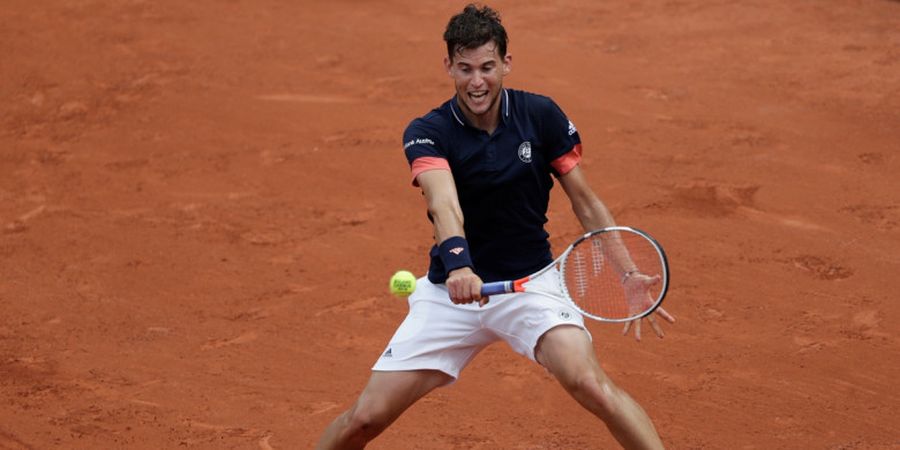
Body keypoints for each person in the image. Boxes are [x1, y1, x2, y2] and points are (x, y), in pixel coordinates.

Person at [316, 4, 675, 449]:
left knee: (592, 386)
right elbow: (443, 203)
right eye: (464, 68)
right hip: (452, 295)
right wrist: (461, 266)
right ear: (448, 65)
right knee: (365, 419)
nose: (477, 81)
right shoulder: (427, 131)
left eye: (487, 66)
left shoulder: (540, 115)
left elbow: (585, 201)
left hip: (531, 287)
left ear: (506, 62)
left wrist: (626, 272)